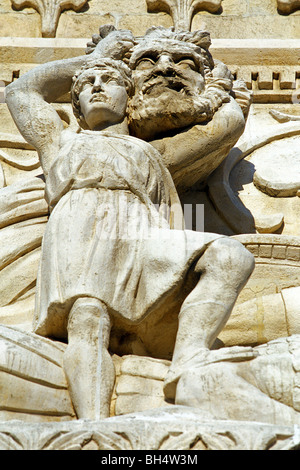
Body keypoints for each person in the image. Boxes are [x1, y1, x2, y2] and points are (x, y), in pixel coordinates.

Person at [5, 28, 255, 419]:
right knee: (88, 318)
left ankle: (189, 359)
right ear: (75, 105)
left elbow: (173, 209)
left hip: (142, 232)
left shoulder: (151, 153)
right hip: (81, 230)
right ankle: (93, 425)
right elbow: (21, 92)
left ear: (130, 95)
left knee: (229, 255)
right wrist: (97, 60)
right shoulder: (61, 143)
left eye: (109, 81)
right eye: (87, 85)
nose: (98, 88)